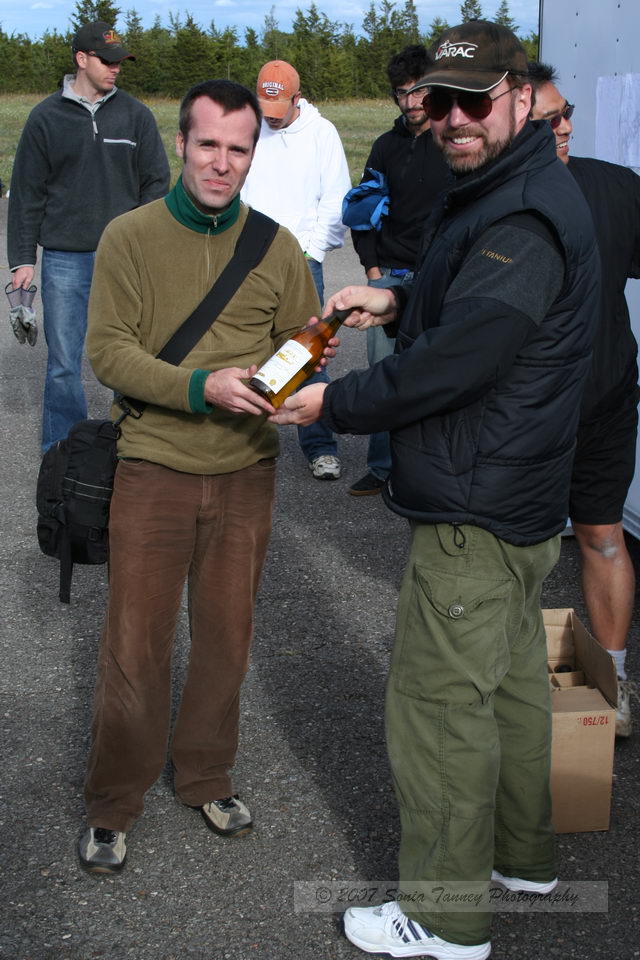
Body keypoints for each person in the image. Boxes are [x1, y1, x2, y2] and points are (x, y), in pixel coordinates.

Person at [269, 21, 600, 959]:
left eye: (474, 99)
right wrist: (397, 297)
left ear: (522, 95)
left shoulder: (524, 215)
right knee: (509, 687)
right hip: (518, 492)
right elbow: (481, 311)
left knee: (440, 710)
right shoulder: (507, 187)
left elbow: (461, 358)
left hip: (475, 503)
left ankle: (446, 919)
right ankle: (521, 857)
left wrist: (336, 402)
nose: (453, 118)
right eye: (440, 100)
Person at [77, 79, 322, 875]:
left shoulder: (277, 246)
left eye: (238, 149)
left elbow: (300, 342)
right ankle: (115, 799)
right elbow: (109, 352)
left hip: (247, 472)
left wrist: (294, 381)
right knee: (134, 645)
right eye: (208, 144)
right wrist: (200, 386)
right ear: (181, 143)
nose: (222, 162)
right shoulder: (129, 236)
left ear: (254, 155)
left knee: (225, 639)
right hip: (154, 468)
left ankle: (207, 776)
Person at [529, 62, 640, 737]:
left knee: (602, 537)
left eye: (567, 112)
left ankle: (615, 681)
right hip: (525, 413)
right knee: (517, 551)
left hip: (605, 403)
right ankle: (512, 691)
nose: (566, 127)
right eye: (549, 121)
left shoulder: (615, 186)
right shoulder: (491, 199)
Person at [7, 20, 170, 454]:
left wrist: (146, 246)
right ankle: (62, 456)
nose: (116, 68)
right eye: (107, 60)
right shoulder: (46, 118)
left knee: (128, 358)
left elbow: (156, 186)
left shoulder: (136, 116)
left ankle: (132, 450)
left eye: (120, 61)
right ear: (81, 59)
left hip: (125, 260)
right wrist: (23, 260)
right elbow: (27, 194)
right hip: (64, 259)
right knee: (63, 364)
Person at [241, 60, 351, 481]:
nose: (270, 116)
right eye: (264, 107)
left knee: (307, 355)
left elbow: (336, 199)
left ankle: (320, 447)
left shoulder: (321, 134)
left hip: (303, 261)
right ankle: (243, 443)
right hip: (250, 257)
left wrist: (313, 250)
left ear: (297, 99)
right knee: (245, 346)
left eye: (278, 108)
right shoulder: (251, 129)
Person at [348, 44, 449, 497]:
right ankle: (382, 468)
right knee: (384, 376)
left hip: (436, 277)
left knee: (437, 372)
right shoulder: (385, 147)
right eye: (401, 93)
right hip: (388, 275)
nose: (410, 102)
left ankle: (429, 471)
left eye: (418, 92)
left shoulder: (451, 142)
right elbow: (362, 213)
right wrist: (373, 272)